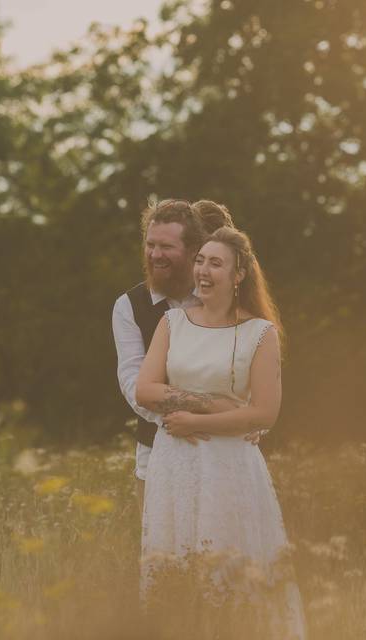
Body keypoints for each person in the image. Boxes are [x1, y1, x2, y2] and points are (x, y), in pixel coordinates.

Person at [136, 226, 306, 638]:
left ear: (238, 275)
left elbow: (265, 412)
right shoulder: (172, 322)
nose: (203, 270)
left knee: (228, 568)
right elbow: (145, 389)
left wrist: (196, 421)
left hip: (229, 466)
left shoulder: (260, 333)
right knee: (173, 566)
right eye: (200, 261)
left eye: (216, 263)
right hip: (174, 465)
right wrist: (211, 403)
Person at [112, 198, 257, 516]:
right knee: (163, 558)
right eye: (150, 245)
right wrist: (180, 419)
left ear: (194, 251)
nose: (154, 254)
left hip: (228, 449)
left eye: (166, 246)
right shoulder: (129, 306)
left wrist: (245, 418)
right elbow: (132, 383)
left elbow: (252, 368)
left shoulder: (221, 297)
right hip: (157, 453)